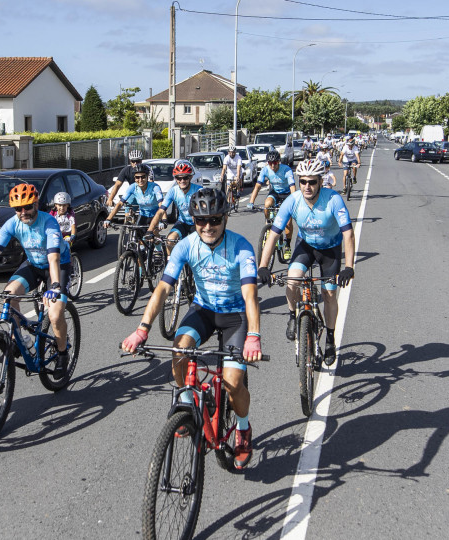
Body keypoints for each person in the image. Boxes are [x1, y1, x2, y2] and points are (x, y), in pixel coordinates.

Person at [122, 187, 261, 469]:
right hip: (203, 311)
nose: (207, 226)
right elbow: (162, 289)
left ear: (224, 218)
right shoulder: (186, 245)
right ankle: (187, 403)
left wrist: (254, 337)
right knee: (179, 349)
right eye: (200, 221)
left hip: (235, 315)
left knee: (233, 383)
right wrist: (142, 329)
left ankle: (244, 429)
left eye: (214, 220)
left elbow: (250, 296)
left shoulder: (241, 247)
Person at [0, 183, 72, 378]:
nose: (23, 212)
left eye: (27, 207)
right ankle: (18, 340)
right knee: (9, 296)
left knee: (55, 314)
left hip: (58, 267)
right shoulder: (12, 224)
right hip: (33, 264)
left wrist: (56, 285)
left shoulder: (49, 222)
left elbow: (53, 257)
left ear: (36, 204)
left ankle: (62, 353)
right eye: (18, 209)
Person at [256, 159, 355, 365]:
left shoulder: (333, 200)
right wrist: (263, 266)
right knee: (293, 281)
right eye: (303, 182)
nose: (307, 187)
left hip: (330, 249)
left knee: (329, 294)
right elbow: (273, 235)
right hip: (306, 246)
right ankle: (293, 316)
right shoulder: (293, 201)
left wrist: (349, 267)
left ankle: (329, 338)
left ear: (320, 181)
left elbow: (348, 234)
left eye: (312, 182)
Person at [248, 148, 296, 259]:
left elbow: (292, 187)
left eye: (274, 163)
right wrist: (251, 202)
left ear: (279, 162)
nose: (272, 166)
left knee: (288, 222)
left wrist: (294, 201)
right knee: (267, 204)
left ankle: (287, 245)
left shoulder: (286, 170)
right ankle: (269, 225)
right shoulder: (266, 170)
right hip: (275, 193)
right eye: (270, 163)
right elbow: (258, 186)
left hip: (287, 194)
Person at [149, 161, 201, 254]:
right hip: (182, 222)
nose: (182, 181)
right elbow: (161, 211)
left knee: (200, 247)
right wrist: (150, 230)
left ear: (190, 177)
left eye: (185, 177)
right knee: (170, 241)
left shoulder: (198, 190)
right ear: (175, 179)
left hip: (197, 223)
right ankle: (171, 265)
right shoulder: (173, 191)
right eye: (178, 178)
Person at [104, 161, 164, 231]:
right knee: (138, 237)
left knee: (152, 235)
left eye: (143, 177)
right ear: (134, 178)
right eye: (137, 177)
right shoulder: (133, 187)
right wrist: (108, 219)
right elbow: (120, 203)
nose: (140, 180)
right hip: (143, 215)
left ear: (147, 177)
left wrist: (162, 220)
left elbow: (161, 205)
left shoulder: (155, 187)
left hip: (156, 215)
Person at [220, 144, 243, 208]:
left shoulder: (238, 158)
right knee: (228, 187)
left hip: (237, 172)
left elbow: (238, 168)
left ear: (235, 152)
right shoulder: (226, 158)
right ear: (228, 152)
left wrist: (238, 177)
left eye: (233, 152)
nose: (232, 154)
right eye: (230, 152)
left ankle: (237, 195)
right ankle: (228, 202)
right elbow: (224, 168)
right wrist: (222, 176)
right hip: (230, 172)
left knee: (236, 182)